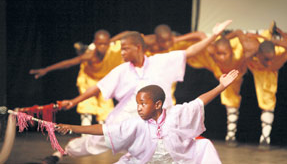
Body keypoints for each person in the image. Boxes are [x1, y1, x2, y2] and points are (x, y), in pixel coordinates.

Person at [42, 20, 232, 163]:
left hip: (160, 121)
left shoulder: (161, 62)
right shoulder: (121, 70)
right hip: (127, 120)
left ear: (138, 47)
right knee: (95, 142)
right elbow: (98, 88)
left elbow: (190, 52)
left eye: (125, 49)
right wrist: (74, 102)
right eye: (121, 49)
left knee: (179, 149)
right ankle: (61, 153)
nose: (122, 53)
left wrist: (214, 35)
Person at [56, 69, 239, 163]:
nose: (139, 108)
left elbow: (200, 101)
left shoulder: (176, 114)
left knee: (204, 145)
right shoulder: (136, 123)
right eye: (137, 104)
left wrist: (222, 86)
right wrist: (72, 128)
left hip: (175, 161)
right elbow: (103, 129)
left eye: (143, 104)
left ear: (158, 104)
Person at [30, 30, 124, 126]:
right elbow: (69, 63)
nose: (103, 47)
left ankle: (103, 136)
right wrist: (46, 69)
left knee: (106, 108)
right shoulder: (90, 55)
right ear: (95, 43)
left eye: (105, 44)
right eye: (100, 44)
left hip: (103, 80)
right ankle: (85, 135)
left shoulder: (113, 49)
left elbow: (127, 34)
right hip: (88, 79)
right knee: (87, 105)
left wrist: (110, 41)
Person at [245, 29, 287, 149]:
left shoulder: (276, 50)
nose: (269, 62)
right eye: (266, 59)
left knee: (268, 106)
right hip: (257, 72)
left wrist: (272, 41)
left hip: (271, 77)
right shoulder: (255, 46)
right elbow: (245, 55)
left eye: (271, 59)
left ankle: (265, 138)